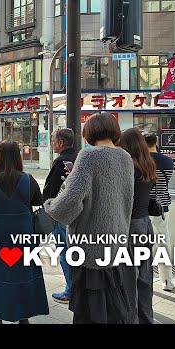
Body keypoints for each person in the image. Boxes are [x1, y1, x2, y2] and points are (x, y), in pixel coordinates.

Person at [44, 113, 134, 324]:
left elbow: (68, 203)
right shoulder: (125, 157)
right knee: (110, 304)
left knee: (88, 309)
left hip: (89, 244)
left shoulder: (89, 156)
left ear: (89, 133)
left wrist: (50, 205)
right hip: (116, 239)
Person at [0, 141, 47, 324]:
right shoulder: (29, 180)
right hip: (23, 234)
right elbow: (38, 201)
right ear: (18, 157)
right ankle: (23, 313)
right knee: (23, 273)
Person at [119, 129, 157, 324]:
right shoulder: (148, 165)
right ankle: (146, 318)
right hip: (145, 224)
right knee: (144, 276)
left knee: (127, 278)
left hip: (129, 226)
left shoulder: (127, 168)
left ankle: (130, 319)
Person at [42, 128, 78, 304]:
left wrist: (47, 206)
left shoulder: (61, 161)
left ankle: (71, 290)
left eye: (54, 141)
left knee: (65, 251)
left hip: (61, 214)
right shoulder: (79, 158)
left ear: (61, 143)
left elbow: (50, 190)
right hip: (77, 213)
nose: (52, 144)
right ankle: (78, 288)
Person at [144, 133, 175, 292]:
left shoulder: (142, 161)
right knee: (164, 243)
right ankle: (167, 282)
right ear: (156, 142)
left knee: (143, 245)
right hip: (163, 207)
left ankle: (144, 278)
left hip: (144, 208)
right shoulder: (168, 161)